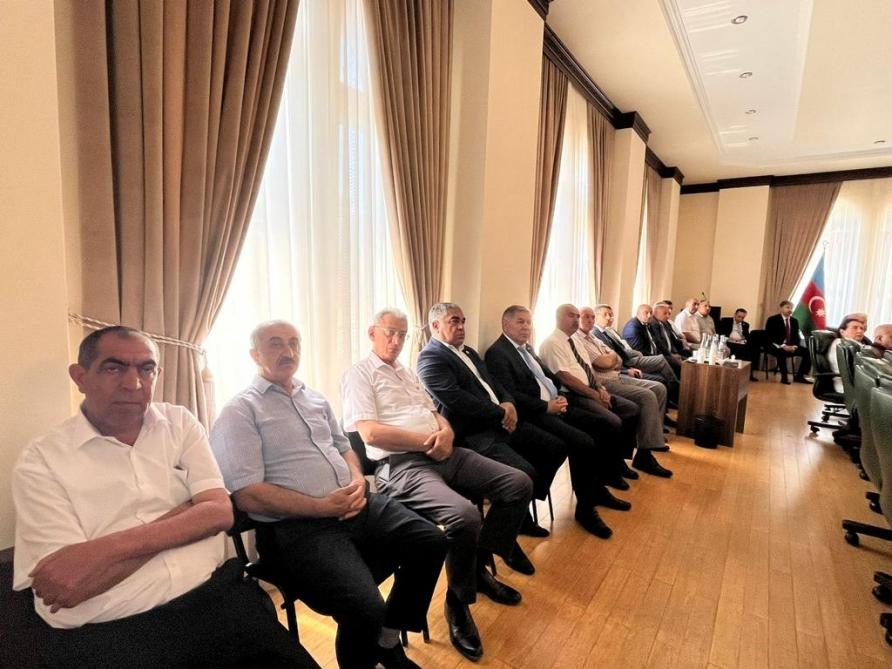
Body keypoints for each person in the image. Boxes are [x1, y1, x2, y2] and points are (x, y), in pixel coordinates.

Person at [13, 326, 319, 669]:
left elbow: (220, 514)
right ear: (80, 377)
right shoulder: (41, 461)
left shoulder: (179, 423)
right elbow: (69, 586)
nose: (133, 383)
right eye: (114, 368)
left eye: (146, 369)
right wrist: (189, 514)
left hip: (215, 600)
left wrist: (105, 550)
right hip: (113, 632)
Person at [211, 320, 447, 669]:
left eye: (294, 343)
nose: (288, 351)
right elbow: (249, 495)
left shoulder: (315, 398)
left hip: (354, 504)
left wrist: (358, 480)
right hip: (298, 527)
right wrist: (321, 507)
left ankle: (386, 641)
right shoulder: (240, 411)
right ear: (254, 354)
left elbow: (344, 447)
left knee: (431, 541)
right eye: (276, 344)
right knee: (364, 606)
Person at [340, 308, 533, 661]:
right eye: (389, 332)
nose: (396, 341)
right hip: (401, 465)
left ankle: (474, 569)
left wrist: (445, 433)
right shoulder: (360, 374)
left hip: (442, 452)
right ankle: (458, 602)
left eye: (402, 334)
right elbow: (369, 433)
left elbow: (434, 413)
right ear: (371, 333)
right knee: (465, 515)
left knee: (518, 482)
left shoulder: (405, 371)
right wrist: (427, 441)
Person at [417, 303, 571, 547]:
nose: (461, 326)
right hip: (473, 433)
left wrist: (508, 402)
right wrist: (502, 413)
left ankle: (520, 509)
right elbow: (458, 401)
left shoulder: (468, 352)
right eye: (454, 321)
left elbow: (493, 383)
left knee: (555, 446)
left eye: (463, 321)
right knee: (525, 473)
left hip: (500, 421)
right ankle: (495, 543)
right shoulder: (430, 358)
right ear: (435, 325)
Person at [484, 305, 637, 538]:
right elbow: (511, 395)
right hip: (534, 414)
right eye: (520, 322)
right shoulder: (498, 353)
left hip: (556, 405)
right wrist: (546, 406)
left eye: (528, 322)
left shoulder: (527, 349)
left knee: (604, 425)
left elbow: (549, 376)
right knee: (582, 442)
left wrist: (559, 396)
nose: (526, 327)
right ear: (506, 324)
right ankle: (585, 509)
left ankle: (597, 488)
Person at [539, 305, 672, 478]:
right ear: (558, 318)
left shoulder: (575, 340)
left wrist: (599, 388)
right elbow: (566, 378)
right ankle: (609, 469)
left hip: (595, 386)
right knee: (613, 420)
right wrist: (595, 393)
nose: (577, 320)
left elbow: (591, 367)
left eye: (578, 316)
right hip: (573, 395)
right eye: (573, 316)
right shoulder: (552, 343)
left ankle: (621, 461)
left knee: (631, 409)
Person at [586, 304, 680, 404]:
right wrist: (626, 370)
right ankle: (677, 394)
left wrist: (634, 355)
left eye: (611, 315)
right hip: (621, 368)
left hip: (626, 361)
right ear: (597, 316)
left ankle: (676, 394)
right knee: (661, 363)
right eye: (605, 315)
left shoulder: (608, 331)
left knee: (664, 367)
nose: (609, 318)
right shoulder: (596, 333)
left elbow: (622, 350)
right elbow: (611, 360)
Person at [764, 301, 812, 384]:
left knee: (808, 352)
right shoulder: (773, 319)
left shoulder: (794, 321)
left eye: (791, 308)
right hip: (775, 345)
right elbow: (770, 336)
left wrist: (795, 346)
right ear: (781, 308)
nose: (790, 310)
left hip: (791, 346)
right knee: (781, 352)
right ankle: (784, 377)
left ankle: (799, 376)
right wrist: (783, 346)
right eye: (787, 307)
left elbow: (796, 336)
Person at [828, 315, 868, 392]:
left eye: (862, 328)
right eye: (855, 327)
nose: (860, 331)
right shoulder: (841, 345)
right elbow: (848, 369)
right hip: (848, 385)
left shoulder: (857, 344)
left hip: (860, 383)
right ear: (842, 332)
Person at [717, 308, 758, 380]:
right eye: (739, 316)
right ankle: (731, 373)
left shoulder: (745, 325)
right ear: (735, 315)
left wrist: (745, 340)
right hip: (729, 342)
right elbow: (720, 333)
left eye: (742, 317)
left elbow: (747, 336)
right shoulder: (726, 321)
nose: (740, 319)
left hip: (740, 343)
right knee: (735, 350)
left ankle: (749, 374)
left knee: (753, 350)